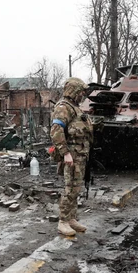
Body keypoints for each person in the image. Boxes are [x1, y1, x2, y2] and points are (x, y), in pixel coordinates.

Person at [50, 77, 93, 236]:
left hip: (80, 154)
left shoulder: (75, 108)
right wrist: (66, 153)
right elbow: (56, 131)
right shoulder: (63, 107)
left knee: (76, 188)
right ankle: (62, 221)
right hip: (72, 155)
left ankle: (71, 218)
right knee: (70, 188)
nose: (83, 95)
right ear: (74, 91)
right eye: (81, 91)